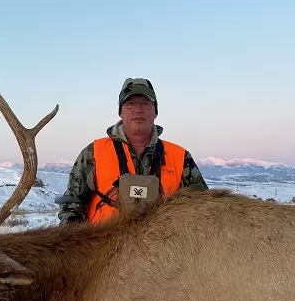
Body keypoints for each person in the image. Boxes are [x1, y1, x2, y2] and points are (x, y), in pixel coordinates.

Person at [58, 77, 208, 224]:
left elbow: (204, 210)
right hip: (105, 247)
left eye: (145, 104)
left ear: (155, 112)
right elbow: (72, 206)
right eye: (130, 104)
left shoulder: (181, 157)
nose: (138, 110)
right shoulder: (93, 154)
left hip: (164, 247)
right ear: (120, 112)